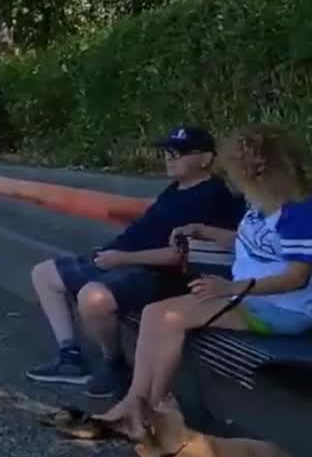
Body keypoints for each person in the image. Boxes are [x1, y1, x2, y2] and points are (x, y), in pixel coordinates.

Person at [95, 124, 312, 435]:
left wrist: (232, 288)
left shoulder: (300, 213)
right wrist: (201, 229)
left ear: (262, 172)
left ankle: (147, 413)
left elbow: (297, 278)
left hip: (284, 310)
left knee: (169, 318)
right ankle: (135, 404)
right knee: (154, 313)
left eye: (241, 172)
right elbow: (250, 242)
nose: (235, 179)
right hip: (252, 297)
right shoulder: (262, 204)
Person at [25, 126, 245, 398]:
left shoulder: (214, 196)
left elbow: (182, 255)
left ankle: (114, 364)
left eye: (179, 152)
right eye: (167, 152)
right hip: (120, 259)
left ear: (206, 158)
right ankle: (70, 358)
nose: (170, 158)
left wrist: (122, 258)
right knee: (44, 274)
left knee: (93, 298)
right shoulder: (176, 189)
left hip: (156, 273)